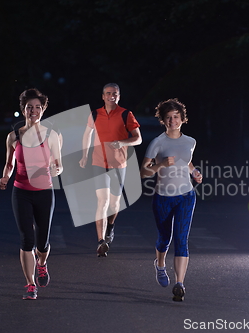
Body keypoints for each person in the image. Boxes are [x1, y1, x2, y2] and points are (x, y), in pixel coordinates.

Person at [0, 88, 63, 300]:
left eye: (37, 107)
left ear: (43, 110)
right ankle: (30, 284)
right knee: (27, 239)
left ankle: (42, 263)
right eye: (29, 107)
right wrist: (5, 177)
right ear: (23, 110)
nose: (33, 111)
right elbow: (9, 164)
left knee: (42, 242)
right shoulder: (13, 137)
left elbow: (59, 165)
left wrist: (56, 170)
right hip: (21, 192)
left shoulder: (51, 136)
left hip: (44, 191)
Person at [140, 98, 202, 302]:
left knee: (181, 239)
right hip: (163, 197)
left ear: (183, 119)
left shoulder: (190, 142)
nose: (172, 121)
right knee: (164, 238)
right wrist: (160, 166)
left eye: (176, 117)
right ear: (163, 120)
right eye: (168, 117)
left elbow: (187, 161)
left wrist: (195, 172)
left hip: (186, 196)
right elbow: (143, 173)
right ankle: (159, 265)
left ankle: (180, 284)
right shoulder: (157, 143)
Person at [79, 83, 142, 257]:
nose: (111, 96)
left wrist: (122, 142)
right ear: (103, 96)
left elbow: (138, 139)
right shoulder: (94, 114)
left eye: (114, 94)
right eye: (108, 94)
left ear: (119, 96)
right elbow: (87, 135)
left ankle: (110, 227)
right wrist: (84, 155)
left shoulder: (125, 114)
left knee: (114, 205)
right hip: (99, 163)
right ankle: (101, 242)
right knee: (102, 201)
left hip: (119, 164)